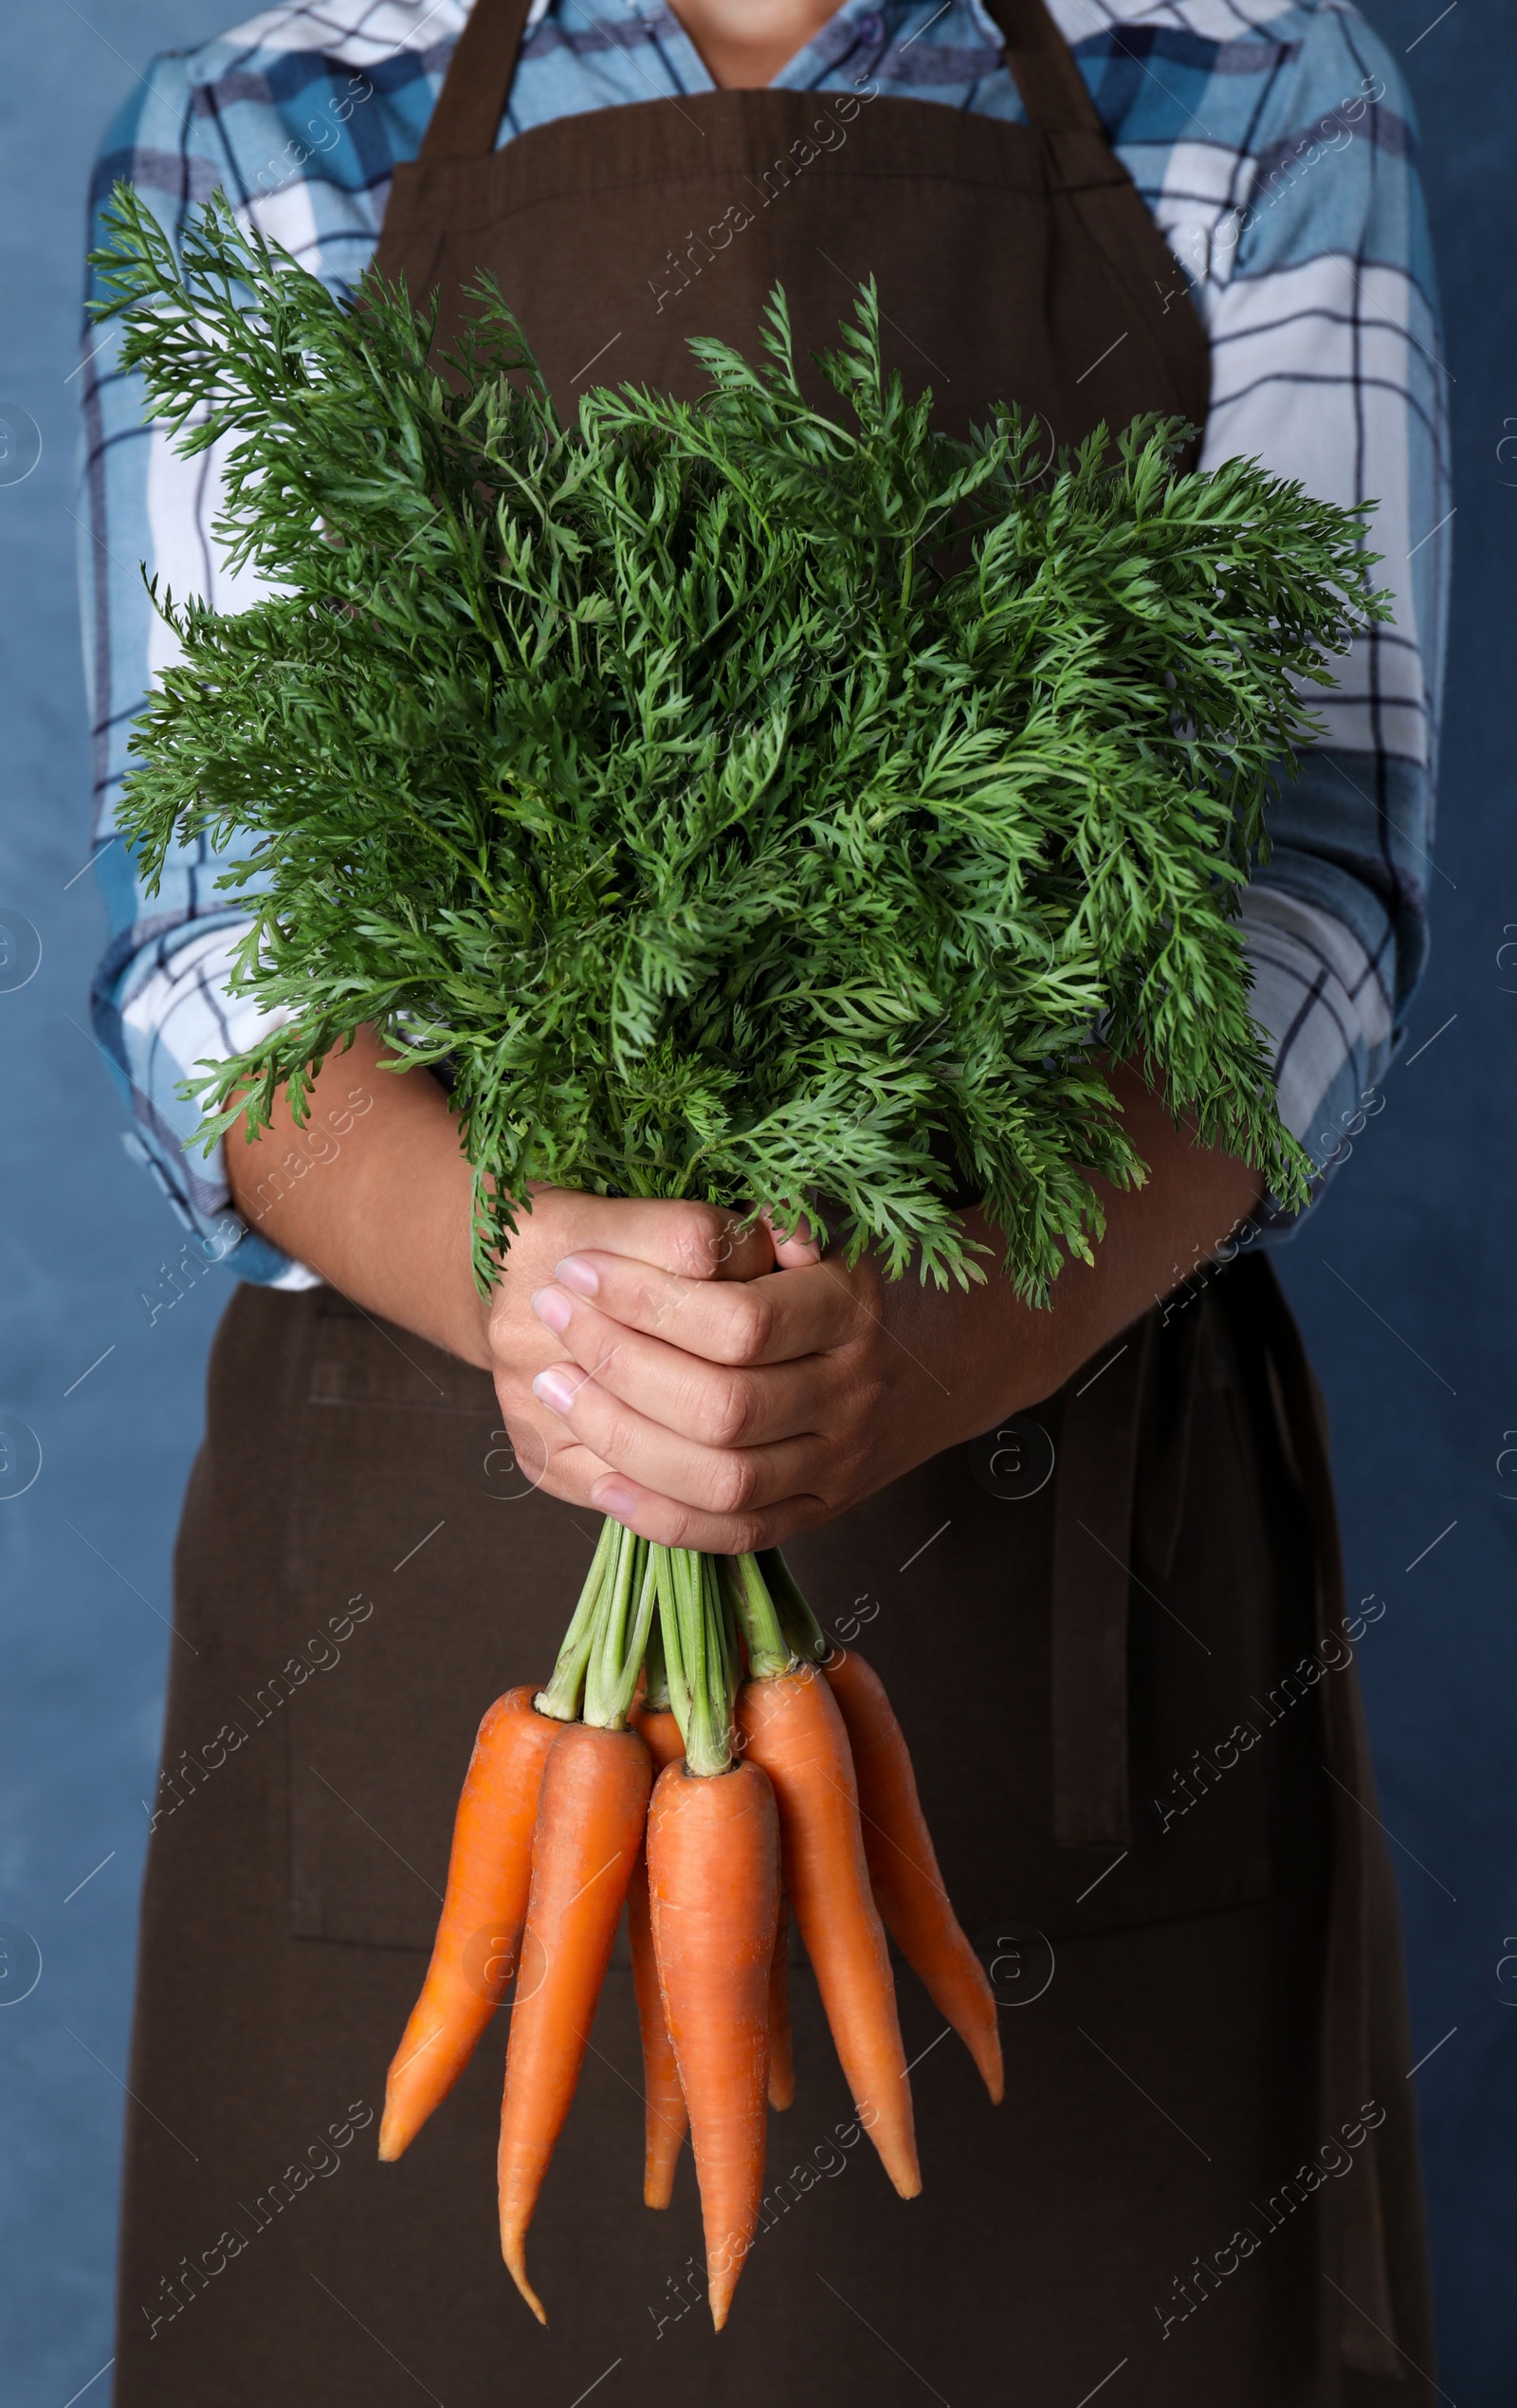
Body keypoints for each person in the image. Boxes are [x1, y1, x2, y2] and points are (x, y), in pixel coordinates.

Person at [79, 1, 1448, 2400]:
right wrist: (527, 1276)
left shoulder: (1249, 74)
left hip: (1061, 1538)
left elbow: (1300, 904)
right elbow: (220, 955)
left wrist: (925, 1332)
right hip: (419, 1592)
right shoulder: (264, 115)